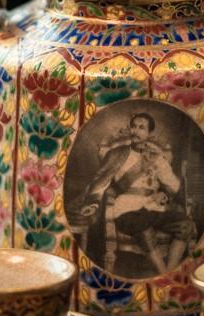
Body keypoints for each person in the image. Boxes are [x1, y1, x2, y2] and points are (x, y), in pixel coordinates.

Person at [77, 111, 195, 275]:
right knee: (143, 228)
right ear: (129, 129)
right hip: (126, 208)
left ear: (149, 133)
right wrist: (93, 201)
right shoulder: (116, 154)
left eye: (141, 128)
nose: (136, 131)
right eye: (134, 126)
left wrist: (165, 194)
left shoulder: (156, 157)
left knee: (186, 225)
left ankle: (169, 272)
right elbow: (100, 180)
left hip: (152, 207)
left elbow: (173, 184)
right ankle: (163, 274)